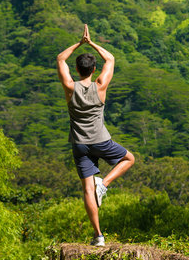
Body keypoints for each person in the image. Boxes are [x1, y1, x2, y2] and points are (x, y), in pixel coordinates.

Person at [56, 24, 135, 247]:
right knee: (129, 159)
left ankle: (98, 236)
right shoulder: (100, 86)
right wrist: (91, 43)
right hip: (101, 140)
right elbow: (110, 59)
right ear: (93, 70)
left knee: (86, 190)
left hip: (79, 144)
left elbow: (60, 59)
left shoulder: (69, 87)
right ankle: (105, 183)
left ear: (77, 69)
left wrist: (78, 43)